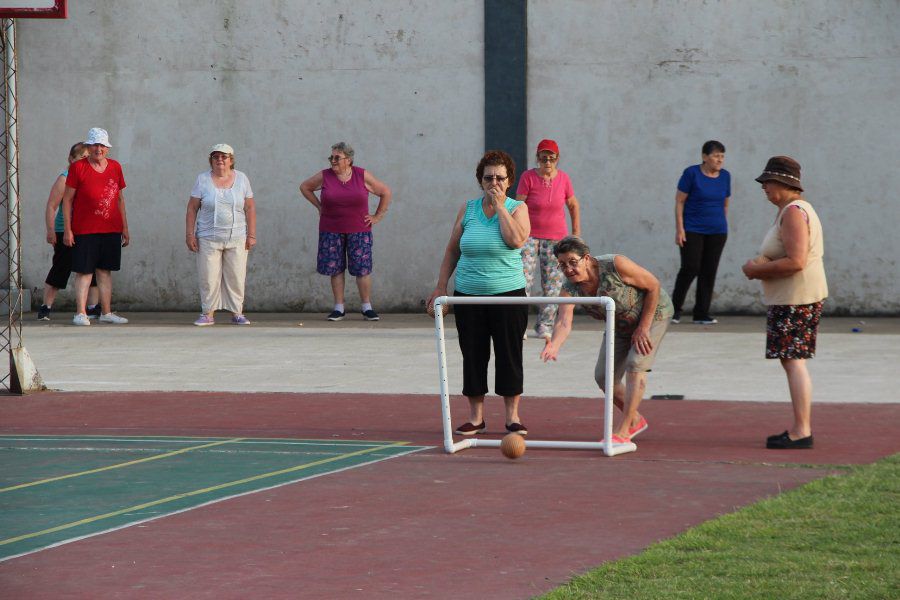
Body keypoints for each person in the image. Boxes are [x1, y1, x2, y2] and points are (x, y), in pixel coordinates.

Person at [427, 150, 531, 436]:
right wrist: (441, 286)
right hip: (469, 295)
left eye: (499, 178)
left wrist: (499, 208)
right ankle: (476, 417)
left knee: (509, 354)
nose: (493, 182)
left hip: (507, 293)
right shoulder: (468, 209)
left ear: (508, 181)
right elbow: (452, 249)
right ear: (480, 180)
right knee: (473, 353)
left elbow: (516, 241)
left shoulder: (517, 208)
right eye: (488, 178)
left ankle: (512, 416)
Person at [540, 236, 673, 443]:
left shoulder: (615, 265)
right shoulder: (570, 288)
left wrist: (644, 328)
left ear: (586, 258)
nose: (568, 269)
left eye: (573, 262)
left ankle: (624, 429)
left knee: (636, 362)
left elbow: (653, 286)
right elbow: (564, 321)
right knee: (603, 377)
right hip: (619, 324)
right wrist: (554, 345)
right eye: (562, 265)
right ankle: (636, 420)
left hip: (653, 314)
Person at [742, 156, 827, 450]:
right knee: (792, 361)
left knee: (794, 363)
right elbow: (784, 252)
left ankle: (801, 431)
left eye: (767, 182)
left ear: (783, 183)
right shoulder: (791, 211)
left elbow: (796, 261)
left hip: (796, 298)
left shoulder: (793, 212)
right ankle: (800, 428)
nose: (764, 188)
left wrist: (756, 270)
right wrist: (764, 261)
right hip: (793, 297)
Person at [299, 142, 392, 321]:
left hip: (359, 230)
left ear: (348, 160)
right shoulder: (325, 176)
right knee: (335, 269)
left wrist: (377, 216)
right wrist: (319, 206)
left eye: (337, 158)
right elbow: (304, 187)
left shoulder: (361, 174)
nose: (332, 161)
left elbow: (385, 192)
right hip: (331, 229)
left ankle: (366, 307)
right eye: (331, 157)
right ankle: (339, 307)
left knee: (362, 269)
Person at [61, 127, 130, 326]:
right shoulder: (78, 168)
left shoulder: (115, 167)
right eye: (94, 145)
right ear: (88, 147)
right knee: (84, 272)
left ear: (107, 148)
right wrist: (68, 229)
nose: (98, 149)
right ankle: (80, 313)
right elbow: (67, 200)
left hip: (111, 229)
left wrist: (125, 227)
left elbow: (119, 199)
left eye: (101, 145)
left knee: (105, 271)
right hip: (84, 230)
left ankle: (106, 312)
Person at [516, 139, 581, 340]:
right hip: (529, 237)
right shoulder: (528, 177)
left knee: (552, 285)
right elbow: (518, 206)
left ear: (557, 159)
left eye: (551, 158)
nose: (547, 162)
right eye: (543, 158)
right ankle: (518, 326)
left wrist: (575, 234)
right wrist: (517, 232)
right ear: (538, 158)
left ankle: (544, 325)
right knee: (522, 280)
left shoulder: (564, 179)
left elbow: (573, 205)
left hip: (555, 239)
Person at [185, 144, 257, 326]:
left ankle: (237, 312)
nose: (220, 160)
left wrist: (252, 235)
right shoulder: (202, 179)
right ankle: (207, 313)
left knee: (236, 275)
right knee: (208, 276)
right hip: (208, 237)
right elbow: (192, 208)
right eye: (216, 157)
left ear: (231, 160)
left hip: (237, 237)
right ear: (211, 160)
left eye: (224, 157)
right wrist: (190, 234)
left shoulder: (242, 179)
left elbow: (250, 208)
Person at [671, 140, 730, 325]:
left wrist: (722, 223)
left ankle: (701, 313)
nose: (719, 160)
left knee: (709, 270)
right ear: (704, 157)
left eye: (722, 156)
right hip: (692, 229)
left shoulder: (726, 176)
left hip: (717, 231)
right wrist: (680, 229)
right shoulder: (691, 174)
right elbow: (680, 201)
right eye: (715, 156)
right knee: (690, 268)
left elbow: (725, 203)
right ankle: (674, 310)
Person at [38, 143, 100, 321]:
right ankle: (45, 307)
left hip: (85, 230)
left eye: (87, 158)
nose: (84, 162)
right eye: (81, 158)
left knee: (90, 268)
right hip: (63, 231)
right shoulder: (64, 179)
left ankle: (93, 307)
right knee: (61, 267)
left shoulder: (89, 177)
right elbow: (51, 206)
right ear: (71, 159)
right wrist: (51, 230)